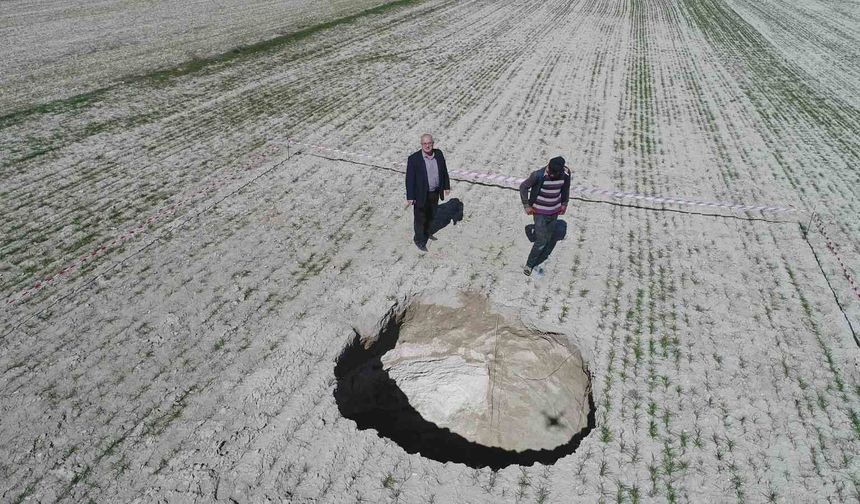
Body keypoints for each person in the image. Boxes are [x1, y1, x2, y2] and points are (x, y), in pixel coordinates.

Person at [519, 156, 570, 276]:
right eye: (551, 172)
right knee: (541, 240)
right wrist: (526, 205)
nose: (552, 175)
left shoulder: (566, 175)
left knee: (548, 237)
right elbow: (523, 187)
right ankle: (530, 264)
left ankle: (542, 252)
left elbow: (566, 189)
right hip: (539, 212)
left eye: (555, 173)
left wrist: (564, 204)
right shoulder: (538, 175)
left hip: (554, 211)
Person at [406, 134, 451, 251]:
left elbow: (444, 171)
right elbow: (409, 179)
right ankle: (419, 239)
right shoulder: (413, 159)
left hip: (435, 192)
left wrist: (446, 186)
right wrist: (410, 196)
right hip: (420, 194)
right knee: (420, 218)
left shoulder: (439, 154)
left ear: (433, 143)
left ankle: (427, 232)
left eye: (429, 143)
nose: (427, 146)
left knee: (431, 215)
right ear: (421, 145)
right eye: (424, 144)